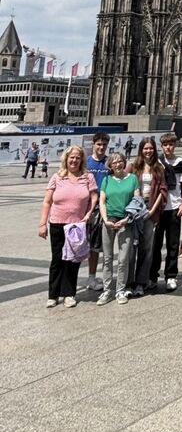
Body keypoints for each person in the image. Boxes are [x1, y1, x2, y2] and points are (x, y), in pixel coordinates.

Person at [38, 145, 98, 308]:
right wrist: (42, 224)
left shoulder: (87, 177)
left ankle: (69, 294)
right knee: (57, 259)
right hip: (57, 223)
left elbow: (94, 197)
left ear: (82, 160)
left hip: (77, 225)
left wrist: (88, 213)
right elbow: (47, 202)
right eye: (72, 157)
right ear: (66, 159)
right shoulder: (57, 177)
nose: (74, 160)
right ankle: (53, 295)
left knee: (73, 260)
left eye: (78, 158)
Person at [98, 152, 139, 305]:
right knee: (107, 258)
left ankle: (120, 290)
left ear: (124, 162)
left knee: (123, 259)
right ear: (110, 165)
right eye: (114, 162)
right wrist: (105, 219)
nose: (117, 164)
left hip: (126, 221)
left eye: (120, 161)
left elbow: (137, 200)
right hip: (109, 220)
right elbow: (102, 201)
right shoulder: (107, 180)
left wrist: (127, 218)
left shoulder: (132, 178)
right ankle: (107, 290)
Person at [150, 133, 182, 291]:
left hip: (174, 207)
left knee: (173, 244)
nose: (168, 147)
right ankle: (152, 276)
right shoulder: (157, 162)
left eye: (171, 144)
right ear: (162, 146)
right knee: (155, 245)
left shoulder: (181, 162)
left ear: (175, 145)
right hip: (159, 208)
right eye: (165, 145)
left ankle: (171, 275)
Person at [130, 138, 167, 296]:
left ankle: (141, 282)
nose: (148, 151)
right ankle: (128, 282)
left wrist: (152, 211)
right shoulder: (134, 167)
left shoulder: (159, 168)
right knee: (131, 247)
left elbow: (163, 191)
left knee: (146, 248)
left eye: (151, 148)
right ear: (141, 150)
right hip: (134, 208)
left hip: (150, 207)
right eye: (145, 148)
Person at [85, 132, 111, 292]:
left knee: (96, 246)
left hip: (102, 210)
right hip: (85, 209)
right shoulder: (86, 162)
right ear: (93, 144)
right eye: (99, 144)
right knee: (79, 245)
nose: (101, 147)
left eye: (104, 145)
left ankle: (92, 277)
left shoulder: (109, 163)